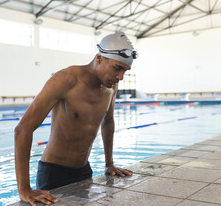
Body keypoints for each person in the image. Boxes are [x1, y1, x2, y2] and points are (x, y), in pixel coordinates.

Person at [14, 31, 138, 206]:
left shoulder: (111, 86)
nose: (120, 77)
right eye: (117, 68)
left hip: (84, 170)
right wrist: (24, 189)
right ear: (99, 58)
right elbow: (23, 129)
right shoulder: (66, 79)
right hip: (54, 173)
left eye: (125, 71)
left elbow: (108, 121)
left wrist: (109, 163)